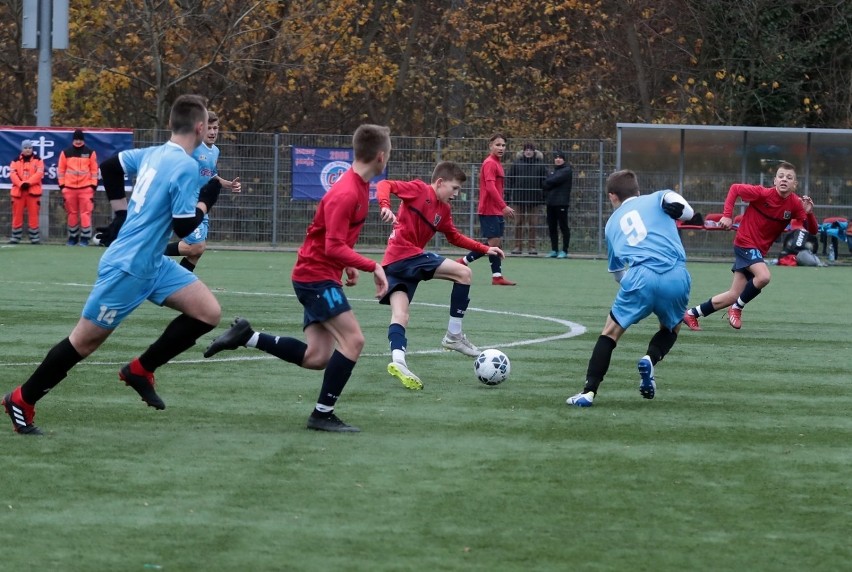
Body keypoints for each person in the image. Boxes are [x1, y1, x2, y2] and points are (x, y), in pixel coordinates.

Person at [2, 95, 223, 435]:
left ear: (170, 125)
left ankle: (140, 369)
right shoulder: (185, 165)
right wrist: (207, 201)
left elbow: (109, 166)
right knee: (83, 342)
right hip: (128, 268)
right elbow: (183, 227)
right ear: (199, 127)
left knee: (208, 312)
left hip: (153, 264)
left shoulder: (152, 152)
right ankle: (22, 399)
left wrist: (120, 213)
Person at [202, 124, 391, 433]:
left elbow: (334, 240)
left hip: (319, 273)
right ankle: (322, 414)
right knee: (354, 341)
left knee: (316, 357)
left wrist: (348, 263)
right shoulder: (347, 191)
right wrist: (374, 266)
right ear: (381, 157)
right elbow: (332, 245)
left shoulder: (357, 187)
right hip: (315, 277)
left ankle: (246, 336)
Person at [566, 169, 695, 407]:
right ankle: (650, 358)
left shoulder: (611, 225)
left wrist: (636, 288)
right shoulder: (658, 197)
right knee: (671, 327)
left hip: (639, 276)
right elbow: (685, 210)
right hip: (676, 274)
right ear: (638, 190)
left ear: (612, 196)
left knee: (610, 333)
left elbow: (617, 273)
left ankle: (588, 392)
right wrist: (682, 212)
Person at [376, 161, 504, 391]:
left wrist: (485, 248)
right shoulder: (418, 189)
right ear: (440, 182)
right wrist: (385, 205)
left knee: (401, 315)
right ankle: (454, 335)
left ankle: (398, 361)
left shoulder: (443, 210)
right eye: (454, 188)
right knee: (464, 273)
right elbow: (385, 183)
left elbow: (454, 237)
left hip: (394, 264)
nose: (456, 194)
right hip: (405, 256)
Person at [682, 161, 817, 331]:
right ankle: (737, 308)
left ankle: (692, 313)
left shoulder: (796, 204)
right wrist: (727, 215)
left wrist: (810, 213)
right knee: (764, 277)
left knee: (734, 294)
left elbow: (812, 229)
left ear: (794, 184)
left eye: (789, 178)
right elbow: (735, 189)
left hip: (757, 251)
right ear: (774, 180)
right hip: (744, 242)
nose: (784, 180)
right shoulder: (762, 193)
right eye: (781, 176)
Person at [164, 110, 241, 272]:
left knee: (195, 253)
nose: (212, 132)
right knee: (196, 247)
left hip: (201, 205)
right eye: (209, 128)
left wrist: (228, 184)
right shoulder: (192, 147)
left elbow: (211, 175)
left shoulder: (215, 151)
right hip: (186, 202)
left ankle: (179, 283)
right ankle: (152, 252)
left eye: (215, 128)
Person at [458, 133, 516, 285]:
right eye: (497, 145)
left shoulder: (497, 163)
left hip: (495, 209)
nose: (501, 148)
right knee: (492, 244)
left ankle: (497, 276)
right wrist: (503, 206)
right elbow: (490, 187)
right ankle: (463, 261)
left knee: (495, 243)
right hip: (489, 209)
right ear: (490, 146)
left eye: (503, 145)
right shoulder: (490, 163)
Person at [58, 129, 99, 246]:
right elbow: (61, 170)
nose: (78, 141)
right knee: (72, 213)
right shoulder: (65, 153)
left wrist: (92, 186)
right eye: (76, 139)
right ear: (73, 140)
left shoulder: (90, 153)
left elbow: (94, 170)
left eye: (80, 139)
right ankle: (73, 237)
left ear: (83, 140)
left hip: (86, 188)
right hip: (69, 188)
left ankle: (85, 238)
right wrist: (63, 186)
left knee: (85, 214)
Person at [506, 142, 547, 255]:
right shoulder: (516, 164)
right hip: (518, 199)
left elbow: (545, 181)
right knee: (518, 222)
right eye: (526, 149)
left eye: (530, 149)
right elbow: (509, 179)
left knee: (533, 223)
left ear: (534, 152)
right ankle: (517, 247)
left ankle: (532, 247)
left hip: (535, 199)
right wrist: (507, 194)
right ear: (523, 151)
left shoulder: (540, 165)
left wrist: (544, 196)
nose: (528, 151)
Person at [8, 139, 44, 244]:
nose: (27, 150)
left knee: (33, 215)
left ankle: (34, 238)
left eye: (29, 148)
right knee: (17, 215)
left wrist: (28, 183)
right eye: (25, 148)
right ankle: (15, 237)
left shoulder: (39, 160)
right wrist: (20, 184)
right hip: (19, 192)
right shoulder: (15, 161)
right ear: (22, 149)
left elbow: (39, 174)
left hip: (33, 192)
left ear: (32, 149)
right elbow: (13, 174)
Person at [542, 150, 573, 258]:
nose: (558, 159)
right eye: (556, 157)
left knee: (563, 227)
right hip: (551, 203)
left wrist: (549, 181)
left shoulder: (567, 170)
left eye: (560, 157)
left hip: (562, 203)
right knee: (552, 227)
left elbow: (550, 181)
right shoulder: (553, 171)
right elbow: (546, 184)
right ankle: (554, 250)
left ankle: (564, 250)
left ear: (564, 159)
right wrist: (548, 182)